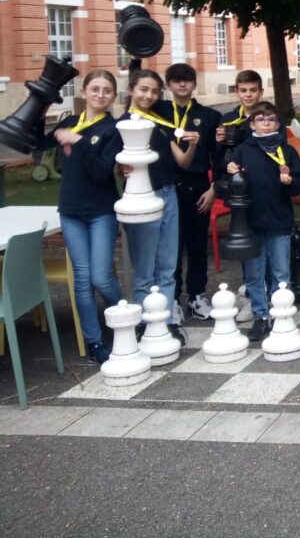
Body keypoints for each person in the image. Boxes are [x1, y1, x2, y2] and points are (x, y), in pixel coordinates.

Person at [39, 70, 123, 363]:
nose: (100, 94)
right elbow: (38, 143)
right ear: (85, 92)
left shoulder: (113, 129)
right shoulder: (70, 122)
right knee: (83, 280)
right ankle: (95, 342)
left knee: (101, 276)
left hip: (101, 210)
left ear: (113, 96)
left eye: (107, 90)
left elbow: (102, 172)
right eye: (95, 89)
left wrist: (80, 141)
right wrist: (43, 106)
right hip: (72, 210)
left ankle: (126, 318)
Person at [120, 69, 199, 344]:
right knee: (145, 269)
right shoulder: (122, 125)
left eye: (154, 91)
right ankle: (143, 323)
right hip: (141, 199)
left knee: (167, 266)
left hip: (168, 195)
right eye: (143, 89)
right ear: (131, 89)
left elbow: (182, 162)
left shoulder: (160, 121)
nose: (149, 95)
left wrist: (191, 147)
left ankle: (165, 322)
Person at [224, 102, 300, 340]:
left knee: (281, 271)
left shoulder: (288, 152)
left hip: (279, 220)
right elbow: (228, 184)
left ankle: (281, 313)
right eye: (261, 119)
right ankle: (261, 316)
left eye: (271, 119)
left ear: (278, 124)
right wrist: (230, 170)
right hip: (250, 224)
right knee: (254, 273)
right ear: (252, 124)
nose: (266, 123)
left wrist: (290, 181)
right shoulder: (242, 151)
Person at [155, 63, 222, 321]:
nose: (182, 85)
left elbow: (217, 156)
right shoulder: (158, 111)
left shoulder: (208, 116)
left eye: (187, 80)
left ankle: (196, 295)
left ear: (194, 84)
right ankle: (172, 298)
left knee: (196, 243)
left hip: (198, 187)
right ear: (168, 85)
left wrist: (214, 188)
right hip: (167, 184)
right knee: (171, 246)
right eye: (176, 80)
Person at [214, 69, 264, 322]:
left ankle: (262, 291)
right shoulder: (228, 118)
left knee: (262, 239)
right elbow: (221, 157)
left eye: (253, 90)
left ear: (260, 92)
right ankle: (249, 290)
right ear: (237, 92)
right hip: (238, 190)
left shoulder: (266, 115)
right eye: (243, 91)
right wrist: (220, 141)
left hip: (263, 189)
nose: (248, 95)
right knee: (243, 239)